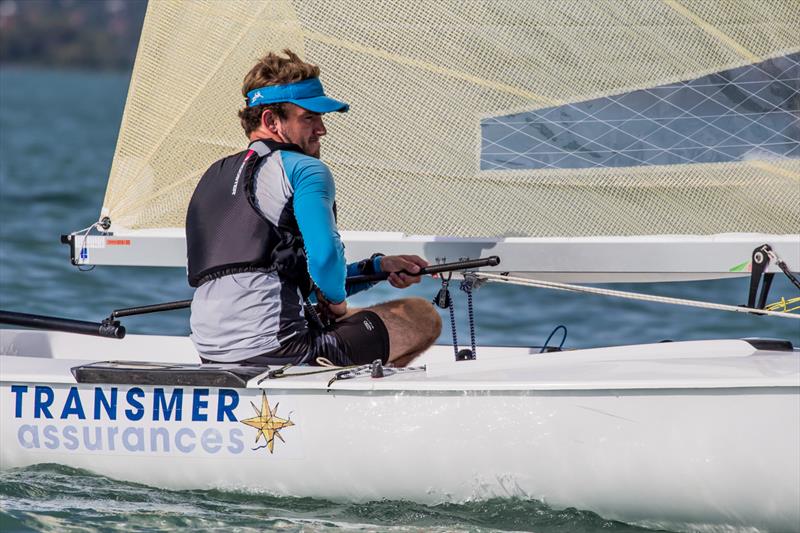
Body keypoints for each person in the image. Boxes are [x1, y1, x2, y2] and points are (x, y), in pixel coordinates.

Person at [186, 49, 441, 368]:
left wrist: (376, 268)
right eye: (309, 117)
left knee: (337, 318)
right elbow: (323, 260)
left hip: (210, 350)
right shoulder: (304, 169)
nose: (321, 129)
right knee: (419, 315)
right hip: (280, 349)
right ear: (271, 120)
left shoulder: (213, 176)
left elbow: (269, 274)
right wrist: (336, 303)